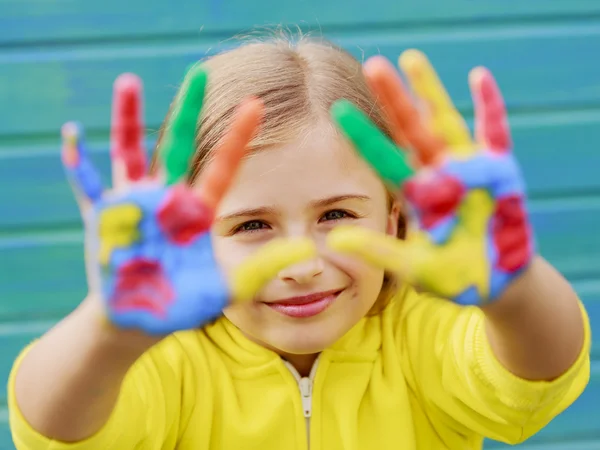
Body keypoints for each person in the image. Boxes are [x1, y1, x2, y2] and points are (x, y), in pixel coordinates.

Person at [8, 34, 590, 450]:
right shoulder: (168, 357)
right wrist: (109, 334)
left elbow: (533, 382)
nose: (303, 263)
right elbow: (54, 431)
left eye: (335, 213)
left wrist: (514, 292)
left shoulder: (422, 332)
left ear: (392, 220)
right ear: (189, 240)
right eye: (252, 225)